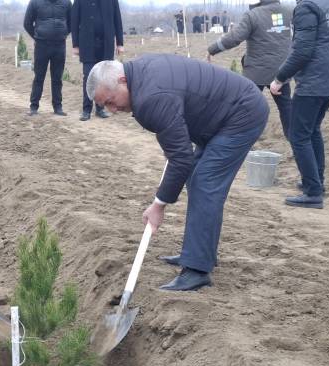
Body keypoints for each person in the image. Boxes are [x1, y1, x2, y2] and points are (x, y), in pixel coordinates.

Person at [87, 56, 268, 291]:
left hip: (240, 113)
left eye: (111, 101)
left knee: (205, 181)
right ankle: (199, 253)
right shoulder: (141, 77)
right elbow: (178, 145)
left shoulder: (151, 98)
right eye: (105, 106)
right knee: (198, 178)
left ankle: (197, 270)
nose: (112, 110)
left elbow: (181, 158)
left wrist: (158, 205)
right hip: (218, 113)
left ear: (122, 80)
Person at [270, 0, 329, 209]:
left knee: (298, 135)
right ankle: (316, 183)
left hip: (314, 81)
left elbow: (302, 50)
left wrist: (280, 78)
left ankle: (313, 192)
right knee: (312, 131)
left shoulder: (306, 7)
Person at [207, 0, 292, 137]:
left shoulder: (252, 15)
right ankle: (295, 140)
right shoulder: (288, 11)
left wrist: (213, 49)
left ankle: (242, 136)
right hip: (282, 71)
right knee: (287, 108)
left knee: (246, 107)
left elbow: (235, 37)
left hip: (256, 73)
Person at [71, 0, 124, 121]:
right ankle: (86, 110)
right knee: (88, 76)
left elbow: (117, 20)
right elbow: (74, 21)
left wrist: (120, 43)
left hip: (106, 44)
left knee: (104, 77)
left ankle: (100, 108)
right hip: (87, 44)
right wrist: (75, 45)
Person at [23, 0, 71, 116]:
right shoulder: (35, 2)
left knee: (57, 78)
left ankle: (58, 107)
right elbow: (27, 23)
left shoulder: (66, 3)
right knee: (39, 77)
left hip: (59, 45)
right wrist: (37, 35)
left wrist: (63, 33)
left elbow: (72, 22)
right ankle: (34, 107)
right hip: (41, 45)